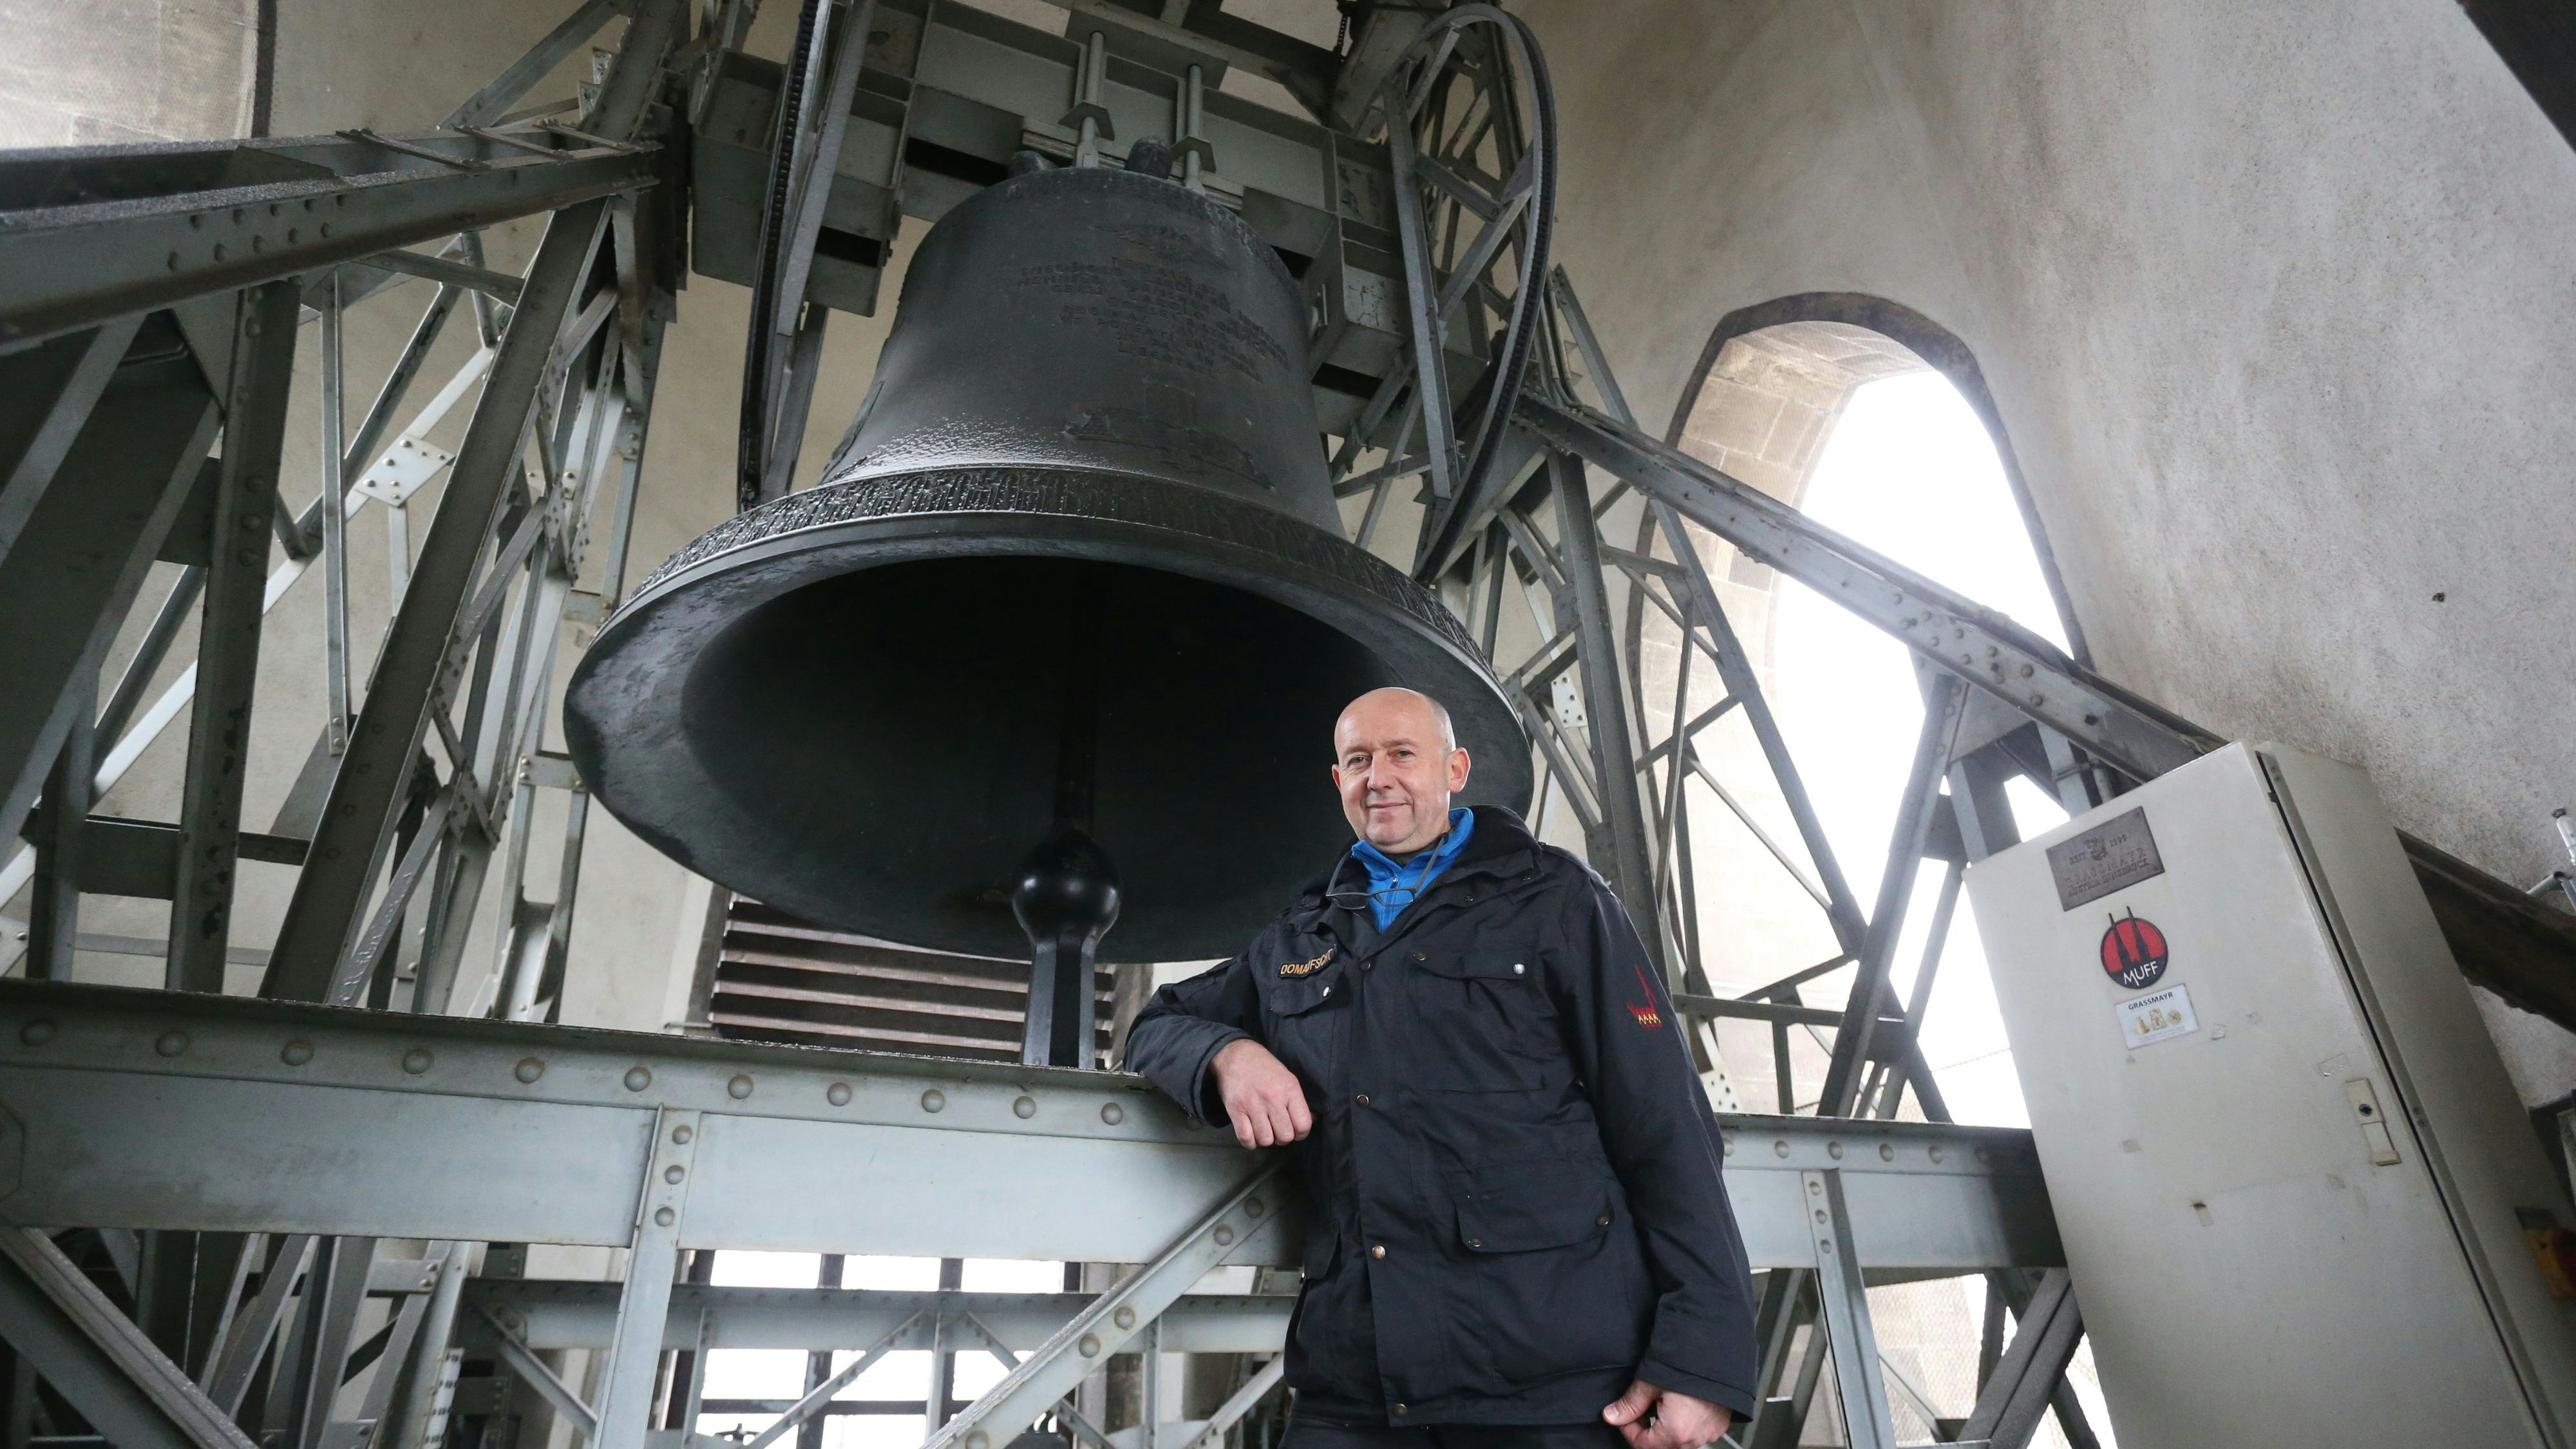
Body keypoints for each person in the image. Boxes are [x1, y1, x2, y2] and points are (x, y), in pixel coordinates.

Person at [1123, 687, 1757, 1449]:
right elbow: (1156, 1023)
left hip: (1549, 1386)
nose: (1377, 777)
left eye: (1401, 755)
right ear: (1338, 783)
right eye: (1357, 760)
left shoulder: (1555, 900)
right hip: (1354, 1387)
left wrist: (1703, 1358)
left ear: (1454, 769)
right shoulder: (1300, 935)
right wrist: (1226, 1053)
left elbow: (1665, 1125)